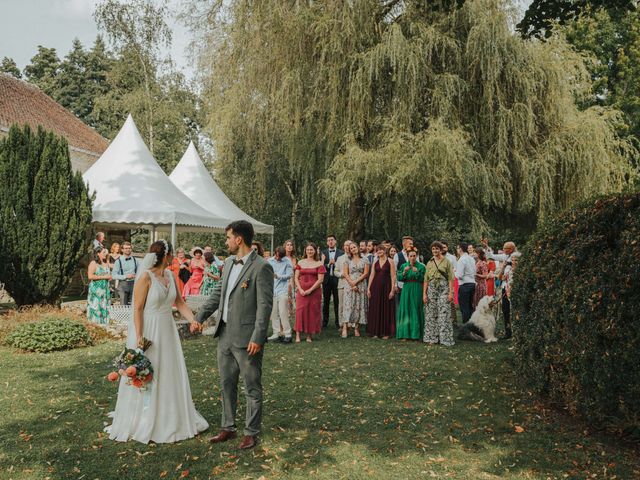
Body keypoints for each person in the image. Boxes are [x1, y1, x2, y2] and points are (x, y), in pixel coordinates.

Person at [106, 240, 209, 444]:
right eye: (172, 255)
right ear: (167, 255)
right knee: (149, 371)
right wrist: (140, 336)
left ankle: (171, 416)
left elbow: (179, 302)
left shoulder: (170, 275)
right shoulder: (145, 277)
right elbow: (137, 308)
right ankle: (145, 418)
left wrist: (193, 320)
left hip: (167, 330)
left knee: (169, 370)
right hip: (149, 330)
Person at [195, 220, 274, 450]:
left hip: (248, 338)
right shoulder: (228, 262)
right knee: (226, 383)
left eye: (228, 237)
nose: (226, 241)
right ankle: (227, 427)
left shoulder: (262, 267)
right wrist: (200, 317)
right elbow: (219, 293)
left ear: (239, 239)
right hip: (225, 334)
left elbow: (265, 306)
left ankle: (251, 431)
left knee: (252, 386)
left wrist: (258, 338)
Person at [423, 242, 455, 346]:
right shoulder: (430, 262)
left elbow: (451, 278)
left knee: (444, 313)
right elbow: (426, 279)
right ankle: (432, 338)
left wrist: (450, 293)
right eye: (433, 249)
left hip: (444, 288)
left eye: (437, 249)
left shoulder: (447, 262)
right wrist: (424, 294)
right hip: (432, 288)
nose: (435, 251)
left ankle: (445, 339)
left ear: (441, 250)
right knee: (431, 314)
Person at [294, 242, 326, 343]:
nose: (309, 251)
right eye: (308, 249)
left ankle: (309, 335)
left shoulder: (319, 263)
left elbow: (320, 280)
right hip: (301, 291)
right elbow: (295, 277)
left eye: (311, 250)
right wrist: (300, 289)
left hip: (314, 292)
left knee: (312, 312)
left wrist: (310, 290)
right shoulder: (300, 262)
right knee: (300, 311)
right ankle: (298, 335)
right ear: (305, 250)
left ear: (315, 251)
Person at [487, 242, 518, 339]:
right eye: (503, 248)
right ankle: (508, 332)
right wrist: (486, 246)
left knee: (514, 310)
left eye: (506, 248)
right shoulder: (505, 257)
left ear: (511, 249)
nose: (504, 250)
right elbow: (492, 256)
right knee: (505, 310)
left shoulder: (517, 258)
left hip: (514, 289)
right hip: (505, 287)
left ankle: (516, 332)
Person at [366, 244, 396, 339]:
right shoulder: (375, 262)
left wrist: (392, 290)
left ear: (385, 251)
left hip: (387, 287)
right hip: (376, 287)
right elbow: (371, 275)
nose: (379, 252)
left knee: (386, 308)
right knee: (376, 307)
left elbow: (393, 276)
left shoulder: (390, 261)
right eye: (378, 250)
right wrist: (368, 288)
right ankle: (375, 332)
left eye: (381, 250)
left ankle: (385, 332)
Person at [341, 242, 370, 338]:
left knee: (359, 305)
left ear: (357, 247)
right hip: (349, 284)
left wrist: (356, 282)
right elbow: (345, 273)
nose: (353, 249)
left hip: (361, 284)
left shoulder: (365, 259)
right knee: (348, 305)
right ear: (349, 251)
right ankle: (345, 328)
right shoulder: (347, 259)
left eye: (354, 247)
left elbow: (366, 273)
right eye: (351, 248)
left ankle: (356, 328)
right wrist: (352, 283)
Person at [395, 247, 425, 340]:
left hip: (417, 288)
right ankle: (405, 334)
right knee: (406, 309)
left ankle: (416, 334)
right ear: (407, 257)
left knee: (415, 308)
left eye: (414, 256)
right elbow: (399, 277)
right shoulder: (404, 266)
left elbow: (423, 279)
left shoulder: (421, 266)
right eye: (410, 256)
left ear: (416, 256)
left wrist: (417, 273)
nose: (412, 257)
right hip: (406, 288)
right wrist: (404, 272)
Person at [267, 246, 294, 343]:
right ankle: (276, 333)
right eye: (277, 256)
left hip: (283, 290)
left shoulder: (287, 261)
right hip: (272, 290)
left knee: (283, 312)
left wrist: (278, 276)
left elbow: (290, 275)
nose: (278, 259)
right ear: (275, 253)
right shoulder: (269, 261)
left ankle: (287, 334)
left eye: (280, 257)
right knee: (274, 313)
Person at [321, 235, 344, 328]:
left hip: (337, 280)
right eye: (328, 240)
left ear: (335, 241)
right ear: (327, 243)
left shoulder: (341, 253)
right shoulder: (323, 253)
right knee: (326, 302)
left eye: (332, 240)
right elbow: (320, 266)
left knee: (337, 302)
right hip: (326, 280)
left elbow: (343, 266)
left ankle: (338, 322)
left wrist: (336, 264)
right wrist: (327, 265)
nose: (330, 242)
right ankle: (325, 322)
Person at [87, 247, 111, 324]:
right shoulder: (93, 263)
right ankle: (94, 326)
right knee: (96, 308)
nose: (105, 254)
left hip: (105, 290)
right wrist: (104, 277)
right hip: (96, 291)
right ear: (98, 253)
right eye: (104, 252)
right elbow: (90, 276)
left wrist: (109, 277)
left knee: (104, 307)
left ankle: (104, 326)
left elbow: (108, 275)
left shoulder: (105, 264)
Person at [111, 242, 138, 306]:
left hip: (134, 283)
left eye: (129, 248)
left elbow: (139, 271)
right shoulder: (118, 261)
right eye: (126, 248)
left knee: (134, 304)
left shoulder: (135, 260)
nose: (128, 250)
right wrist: (125, 276)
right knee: (123, 305)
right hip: (123, 284)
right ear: (122, 250)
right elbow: (113, 275)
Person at [456, 242, 476, 323]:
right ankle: (471, 324)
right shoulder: (471, 258)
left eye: (457, 248)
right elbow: (474, 271)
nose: (457, 250)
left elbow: (459, 275)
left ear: (460, 249)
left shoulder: (461, 259)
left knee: (464, 307)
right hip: (472, 283)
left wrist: (454, 272)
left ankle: (466, 326)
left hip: (464, 285)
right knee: (470, 306)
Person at [333, 240, 352, 325]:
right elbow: (335, 271)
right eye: (345, 245)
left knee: (352, 304)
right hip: (342, 284)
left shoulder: (355, 258)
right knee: (341, 305)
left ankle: (351, 323)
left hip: (352, 284)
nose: (346, 247)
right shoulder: (340, 258)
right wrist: (341, 274)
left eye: (348, 245)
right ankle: (341, 323)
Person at [284, 239, 298, 328]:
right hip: (284, 282)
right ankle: (284, 325)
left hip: (293, 282)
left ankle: (292, 325)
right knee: (285, 302)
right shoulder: (281, 258)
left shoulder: (295, 259)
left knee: (292, 303)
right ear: (285, 246)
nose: (289, 246)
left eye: (291, 245)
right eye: (287, 245)